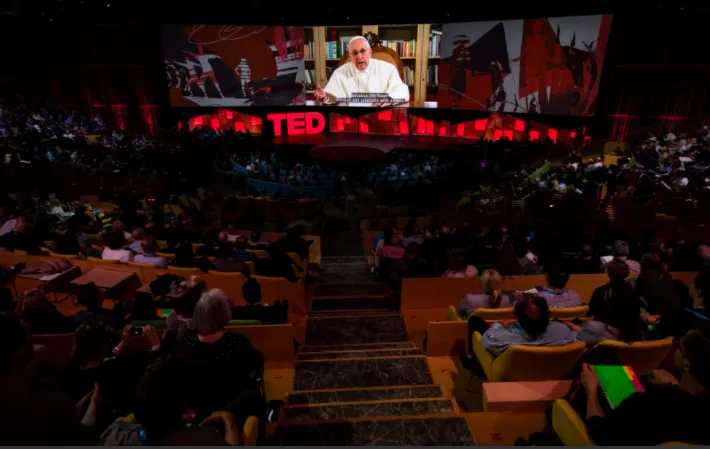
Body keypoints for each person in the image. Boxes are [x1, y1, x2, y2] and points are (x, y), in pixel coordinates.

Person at [579, 330, 710, 445]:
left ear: (686, 365)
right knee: (606, 354)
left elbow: (601, 435)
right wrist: (674, 386)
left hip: (614, 432)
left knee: (600, 358)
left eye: (679, 347)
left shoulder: (647, 406)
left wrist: (591, 391)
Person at [313, 36, 410, 107]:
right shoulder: (340, 72)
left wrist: (389, 98)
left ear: (370, 52)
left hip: (381, 116)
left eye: (363, 51)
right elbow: (332, 94)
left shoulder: (388, 68)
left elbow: (402, 90)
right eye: (355, 53)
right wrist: (325, 96)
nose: (359, 57)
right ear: (350, 56)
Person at [478, 294, 578, 356]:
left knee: (476, 321)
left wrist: (498, 325)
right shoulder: (562, 331)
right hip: (551, 374)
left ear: (519, 319)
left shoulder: (502, 338)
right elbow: (578, 338)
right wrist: (573, 328)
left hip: (513, 376)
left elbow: (486, 340)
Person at [577, 259, 643, 346]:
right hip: (628, 340)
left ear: (608, 273)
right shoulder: (634, 293)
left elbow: (592, 313)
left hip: (606, 338)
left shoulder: (601, 292)